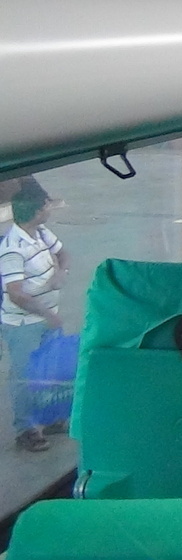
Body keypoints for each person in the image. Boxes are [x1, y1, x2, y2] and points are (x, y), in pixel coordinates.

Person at [0, 187, 68, 452]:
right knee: (26, 376)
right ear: (37, 211)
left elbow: (63, 254)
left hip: (45, 320)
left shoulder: (40, 233)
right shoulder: (12, 250)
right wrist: (48, 314)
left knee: (51, 372)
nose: (50, 208)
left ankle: (51, 419)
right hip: (24, 326)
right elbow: (15, 294)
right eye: (47, 205)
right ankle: (25, 430)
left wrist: (62, 272)